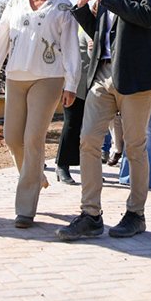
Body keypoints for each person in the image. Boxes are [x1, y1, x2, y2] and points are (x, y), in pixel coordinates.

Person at [56, 0, 151, 241]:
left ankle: (135, 214)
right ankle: (91, 215)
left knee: (134, 147)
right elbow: (102, 37)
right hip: (101, 76)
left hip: (136, 78)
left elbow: (146, 17)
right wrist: (81, 9)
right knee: (88, 140)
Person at [0, 0, 80, 228]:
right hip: (16, 77)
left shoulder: (63, 8)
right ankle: (35, 174)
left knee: (33, 138)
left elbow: (71, 48)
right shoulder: (15, 3)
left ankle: (25, 208)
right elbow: (0, 39)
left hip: (48, 78)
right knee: (12, 138)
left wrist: (71, 83)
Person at [55, 29, 93, 185]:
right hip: (75, 88)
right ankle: (62, 165)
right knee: (71, 126)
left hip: (90, 89)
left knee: (88, 130)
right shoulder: (88, 31)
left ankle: (88, 169)